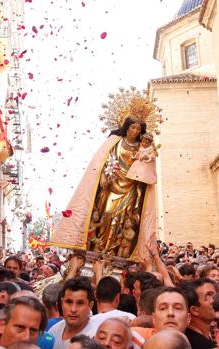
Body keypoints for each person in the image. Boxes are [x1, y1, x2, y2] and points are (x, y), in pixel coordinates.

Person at [54, 117, 157, 260]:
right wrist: (102, 175)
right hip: (111, 184)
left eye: (139, 129)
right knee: (106, 213)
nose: (135, 131)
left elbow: (147, 166)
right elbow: (102, 160)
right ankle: (99, 247)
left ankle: (114, 252)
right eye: (133, 127)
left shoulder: (142, 147)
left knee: (123, 219)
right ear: (127, 127)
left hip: (131, 186)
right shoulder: (115, 141)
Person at [48, 277, 97, 349]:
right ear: (61, 303)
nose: (73, 309)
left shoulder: (95, 337)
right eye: (69, 302)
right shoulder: (54, 331)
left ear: (90, 305)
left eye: (80, 303)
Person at [184, 278, 217, 349]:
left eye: (215, 295)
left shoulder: (211, 338)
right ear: (194, 310)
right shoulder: (188, 344)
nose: (214, 300)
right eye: (208, 295)